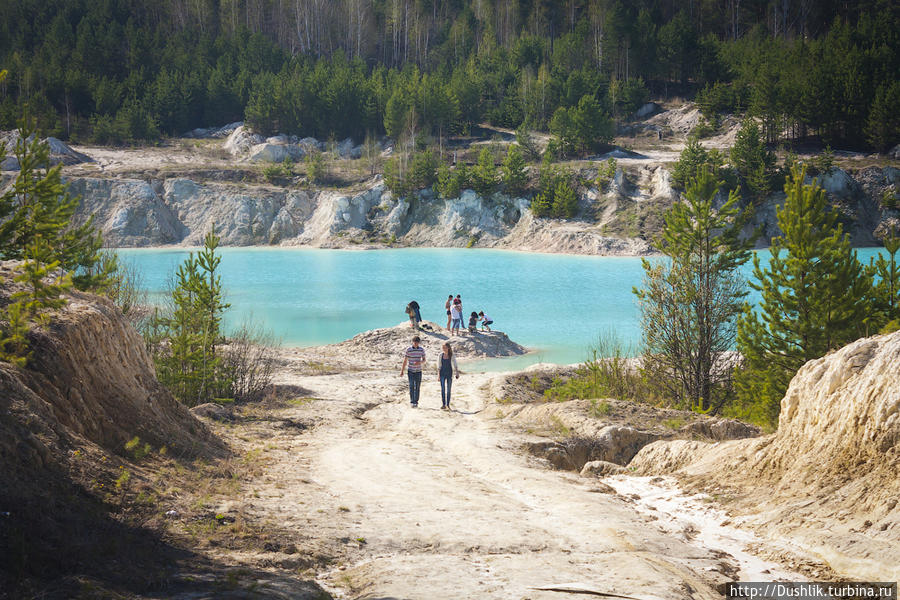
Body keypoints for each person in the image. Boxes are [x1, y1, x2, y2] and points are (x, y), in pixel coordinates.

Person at [400, 336, 426, 407]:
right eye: (414, 342)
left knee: (417, 386)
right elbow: (405, 361)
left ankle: (416, 402)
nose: (415, 344)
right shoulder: (409, 350)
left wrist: (419, 362)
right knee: (411, 386)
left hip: (418, 371)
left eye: (417, 343)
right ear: (412, 342)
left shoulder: (421, 350)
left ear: (419, 343)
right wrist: (402, 370)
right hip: (410, 371)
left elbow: (424, 360)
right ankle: (412, 401)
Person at [437, 342, 460, 410]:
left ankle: (448, 404)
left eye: (445, 347)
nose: (443, 349)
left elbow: (455, 364)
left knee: (449, 390)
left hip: (449, 373)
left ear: (448, 348)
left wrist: (457, 373)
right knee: (443, 389)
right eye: (443, 347)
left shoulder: (451, 355)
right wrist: (438, 376)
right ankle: (443, 404)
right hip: (442, 374)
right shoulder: (440, 355)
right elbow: (439, 366)